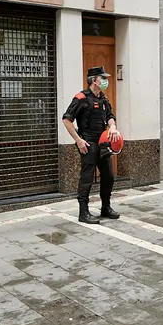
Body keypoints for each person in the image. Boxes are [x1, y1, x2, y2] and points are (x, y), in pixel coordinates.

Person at [62, 66, 121, 224]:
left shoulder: (103, 98)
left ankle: (105, 207)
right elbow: (66, 120)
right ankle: (83, 212)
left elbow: (110, 116)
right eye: (103, 78)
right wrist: (78, 140)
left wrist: (113, 127)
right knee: (87, 177)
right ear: (94, 80)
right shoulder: (81, 98)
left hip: (103, 142)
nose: (106, 81)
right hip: (87, 141)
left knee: (108, 175)